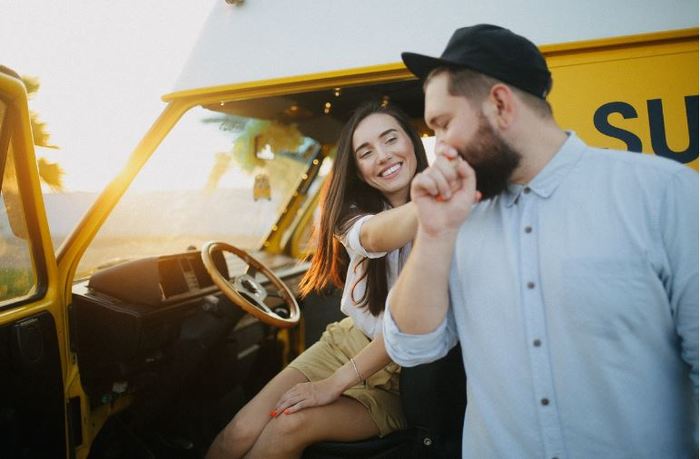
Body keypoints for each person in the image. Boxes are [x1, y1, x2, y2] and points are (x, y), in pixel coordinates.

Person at [383, 24, 698, 458]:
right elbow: (409, 346)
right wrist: (434, 234)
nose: (439, 148)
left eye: (443, 124)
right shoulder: (455, 218)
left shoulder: (665, 193)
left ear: (499, 104)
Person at [206, 101, 429, 458]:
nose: (383, 156)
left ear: (412, 142)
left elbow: (404, 329)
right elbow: (372, 237)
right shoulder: (350, 209)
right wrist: (438, 199)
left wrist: (332, 387)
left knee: (288, 426)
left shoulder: (449, 230)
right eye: (366, 152)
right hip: (346, 343)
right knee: (238, 432)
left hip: (404, 378)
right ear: (357, 169)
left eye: (391, 139)